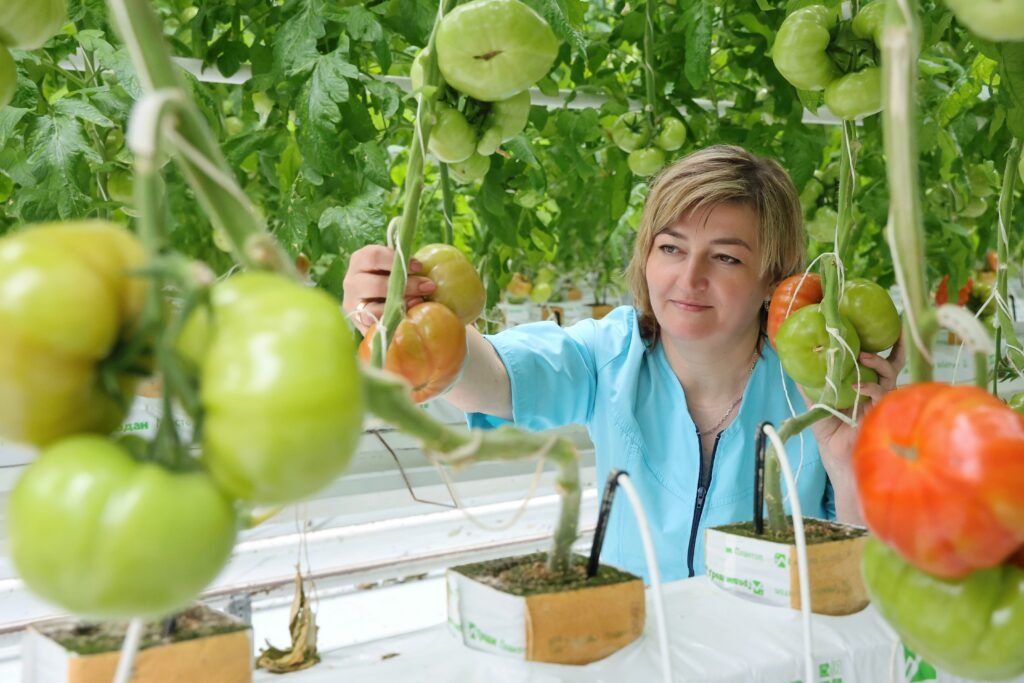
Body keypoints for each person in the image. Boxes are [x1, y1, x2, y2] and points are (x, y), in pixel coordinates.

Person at [342, 145, 905, 583]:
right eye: (671, 248)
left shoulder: (815, 388)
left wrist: (848, 458)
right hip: (638, 653)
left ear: (773, 278)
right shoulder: (609, 356)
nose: (688, 279)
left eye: (727, 257)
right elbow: (485, 378)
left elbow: (868, 574)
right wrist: (401, 314)